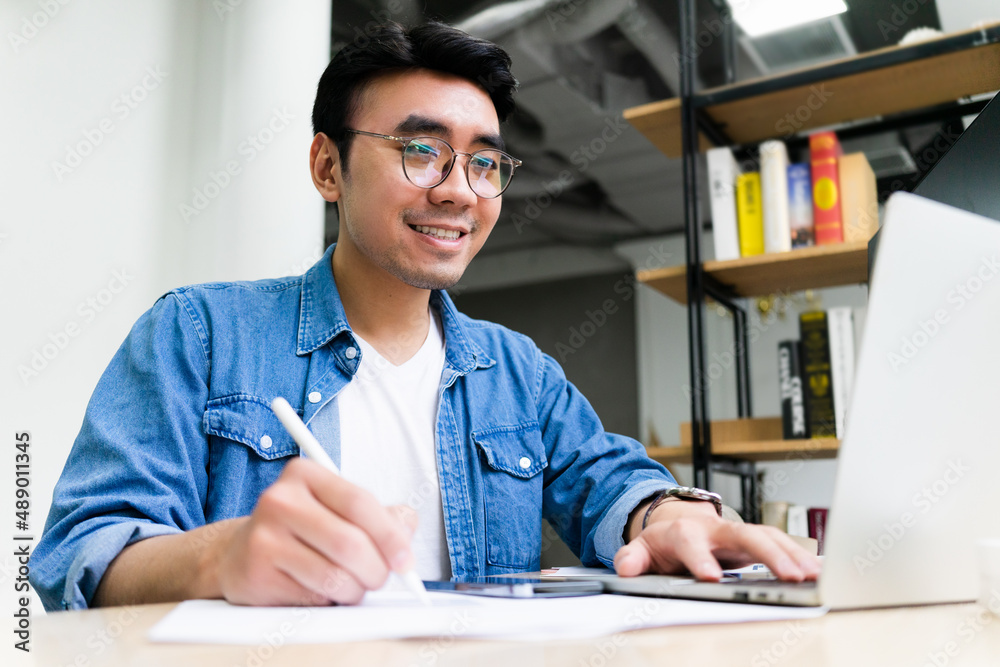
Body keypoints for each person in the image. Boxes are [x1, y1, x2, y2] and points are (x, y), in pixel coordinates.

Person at [31, 21, 820, 612]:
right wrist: (217, 559)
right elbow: (82, 554)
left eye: (484, 161)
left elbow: (607, 480)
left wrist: (667, 513)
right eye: (420, 150)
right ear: (327, 166)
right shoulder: (198, 335)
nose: (459, 190)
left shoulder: (521, 372)